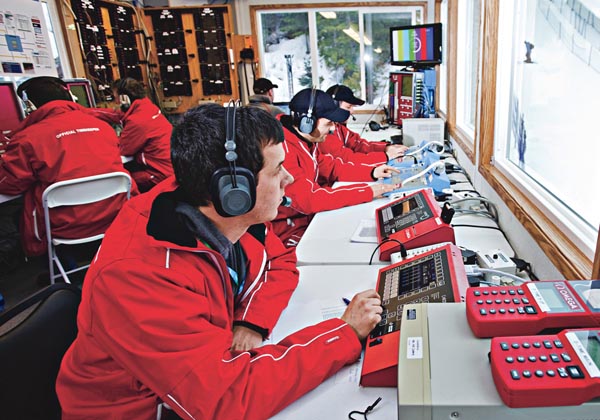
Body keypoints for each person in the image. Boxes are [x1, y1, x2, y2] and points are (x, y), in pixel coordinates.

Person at [56, 103, 383, 419]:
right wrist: (343, 333)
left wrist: (252, 321)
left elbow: (280, 260)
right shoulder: (137, 275)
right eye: (276, 170)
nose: (289, 179)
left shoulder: (229, 214)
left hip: (199, 375)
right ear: (232, 187)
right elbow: (228, 399)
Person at [0, 76, 132, 257]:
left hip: (66, 227)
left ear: (29, 107)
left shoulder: (27, 139)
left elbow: (10, 184)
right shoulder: (103, 127)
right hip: (116, 217)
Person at [272, 88, 400, 247]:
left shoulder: (306, 141)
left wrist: (372, 172)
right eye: (329, 123)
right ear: (307, 123)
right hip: (288, 231)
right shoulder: (282, 150)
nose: (333, 128)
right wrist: (368, 191)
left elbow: (332, 168)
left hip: (307, 219)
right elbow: (309, 200)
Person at [89, 78, 174, 192]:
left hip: (158, 176)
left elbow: (123, 150)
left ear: (125, 99)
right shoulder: (148, 108)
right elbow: (117, 115)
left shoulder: (137, 121)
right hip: (170, 171)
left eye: (116, 98)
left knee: (116, 180)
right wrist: (83, 111)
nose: (116, 103)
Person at [320, 84, 408, 165]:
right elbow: (347, 159)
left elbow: (358, 144)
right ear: (334, 105)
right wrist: (385, 156)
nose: (352, 111)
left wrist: (386, 148)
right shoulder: (325, 133)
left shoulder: (339, 127)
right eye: (348, 107)